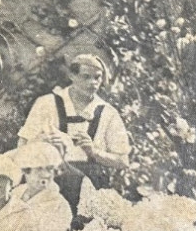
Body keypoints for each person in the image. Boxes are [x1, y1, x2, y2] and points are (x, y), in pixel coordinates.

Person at [18, 52, 130, 192]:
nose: (93, 83)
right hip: (50, 181)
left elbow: (123, 161)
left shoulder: (108, 112)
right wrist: (41, 143)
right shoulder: (47, 103)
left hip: (90, 185)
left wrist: (94, 152)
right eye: (86, 77)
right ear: (72, 76)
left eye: (97, 77)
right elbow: (22, 145)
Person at [11, 141, 79, 231]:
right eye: (39, 169)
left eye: (49, 169)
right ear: (26, 171)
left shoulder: (59, 205)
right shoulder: (14, 194)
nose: (46, 175)